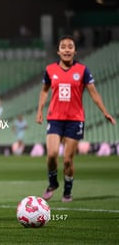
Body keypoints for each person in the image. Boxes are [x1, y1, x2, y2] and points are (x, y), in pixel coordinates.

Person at [36, 35, 116, 203]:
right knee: (51, 155)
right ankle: (52, 184)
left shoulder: (82, 70)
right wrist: (40, 110)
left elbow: (94, 93)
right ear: (58, 51)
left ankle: (67, 191)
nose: (67, 49)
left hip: (75, 119)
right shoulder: (50, 70)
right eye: (63, 46)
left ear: (75, 50)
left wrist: (105, 112)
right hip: (55, 118)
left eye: (70, 46)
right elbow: (44, 90)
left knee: (67, 160)